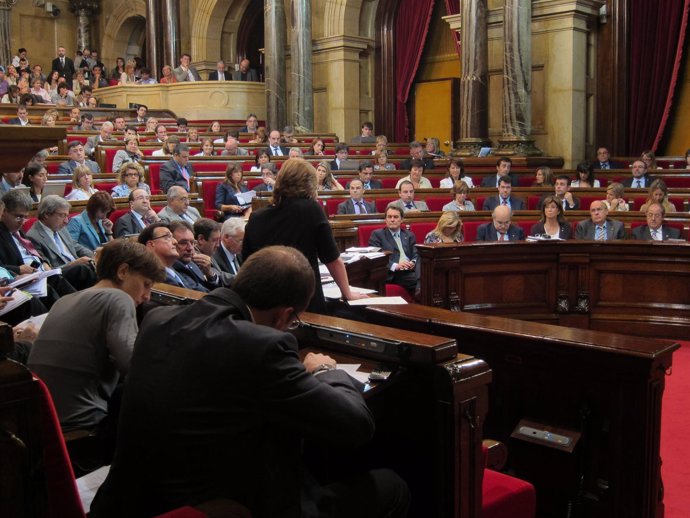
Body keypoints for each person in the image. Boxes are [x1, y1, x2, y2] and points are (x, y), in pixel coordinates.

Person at [90, 245, 408, 518]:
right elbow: (355, 425)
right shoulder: (262, 346)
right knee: (392, 487)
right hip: (223, 507)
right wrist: (327, 371)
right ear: (284, 316)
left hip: (133, 502)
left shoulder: (158, 320)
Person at [27, 239, 164, 446]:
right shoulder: (118, 298)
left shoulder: (63, 301)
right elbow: (133, 366)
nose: (147, 296)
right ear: (123, 271)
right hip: (82, 427)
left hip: (43, 421)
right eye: (146, 284)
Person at [243, 158, 366, 313]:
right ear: (309, 184)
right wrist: (347, 293)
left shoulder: (256, 218)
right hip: (303, 300)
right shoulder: (311, 210)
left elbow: (247, 264)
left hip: (265, 304)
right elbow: (332, 259)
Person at [26, 195, 98, 291]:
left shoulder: (60, 228)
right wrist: (73, 264)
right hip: (61, 276)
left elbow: (75, 246)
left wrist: (95, 255)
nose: (66, 221)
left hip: (79, 269)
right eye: (62, 215)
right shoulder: (33, 236)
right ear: (47, 214)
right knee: (82, 269)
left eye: (67, 216)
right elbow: (46, 270)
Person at [368, 204, 418, 295]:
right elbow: (377, 258)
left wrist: (413, 262)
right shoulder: (377, 235)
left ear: (402, 219)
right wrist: (396, 266)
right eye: (389, 217)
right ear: (385, 219)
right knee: (418, 279)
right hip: (392, 273)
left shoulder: (409, 235)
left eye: (395, 217)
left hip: (410, 270)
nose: (392, 219)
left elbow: (416, 253)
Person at [167, 220, 220, 292]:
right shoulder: (173, 268)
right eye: (183, 243)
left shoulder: (193, 262)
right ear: (172, 243)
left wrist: (209, 274)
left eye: (192, 243)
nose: (190, 248)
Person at [193, 218, 233, 287]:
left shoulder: (208, 252)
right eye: (214, 240)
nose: (218, 245)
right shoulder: (197, 258)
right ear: (201, 239)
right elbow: (219, 275)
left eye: (219, 240)